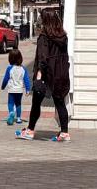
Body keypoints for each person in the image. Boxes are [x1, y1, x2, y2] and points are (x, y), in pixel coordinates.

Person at [17, 8, 72, 142]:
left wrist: (39, 77)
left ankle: (30, 131)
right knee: (60, 103)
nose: (40, 20)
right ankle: (64, 133)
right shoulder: (63, 36)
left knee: (36, 103)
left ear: (46, 20)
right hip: (61, 73)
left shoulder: (44, 37)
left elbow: (43, 58)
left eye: (41, 18)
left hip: (47, 74)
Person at [0, 48, 30, 125]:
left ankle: (11, 113)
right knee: (18, 103)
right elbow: (26, 79)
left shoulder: (9, 68)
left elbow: (6, 78)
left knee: (10, 103)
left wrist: (3, 86)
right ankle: (19, 118)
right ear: (20, 58)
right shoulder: (23, 69)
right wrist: (28, 90)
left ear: (10, 59)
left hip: (11, 90)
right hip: (19, 90)